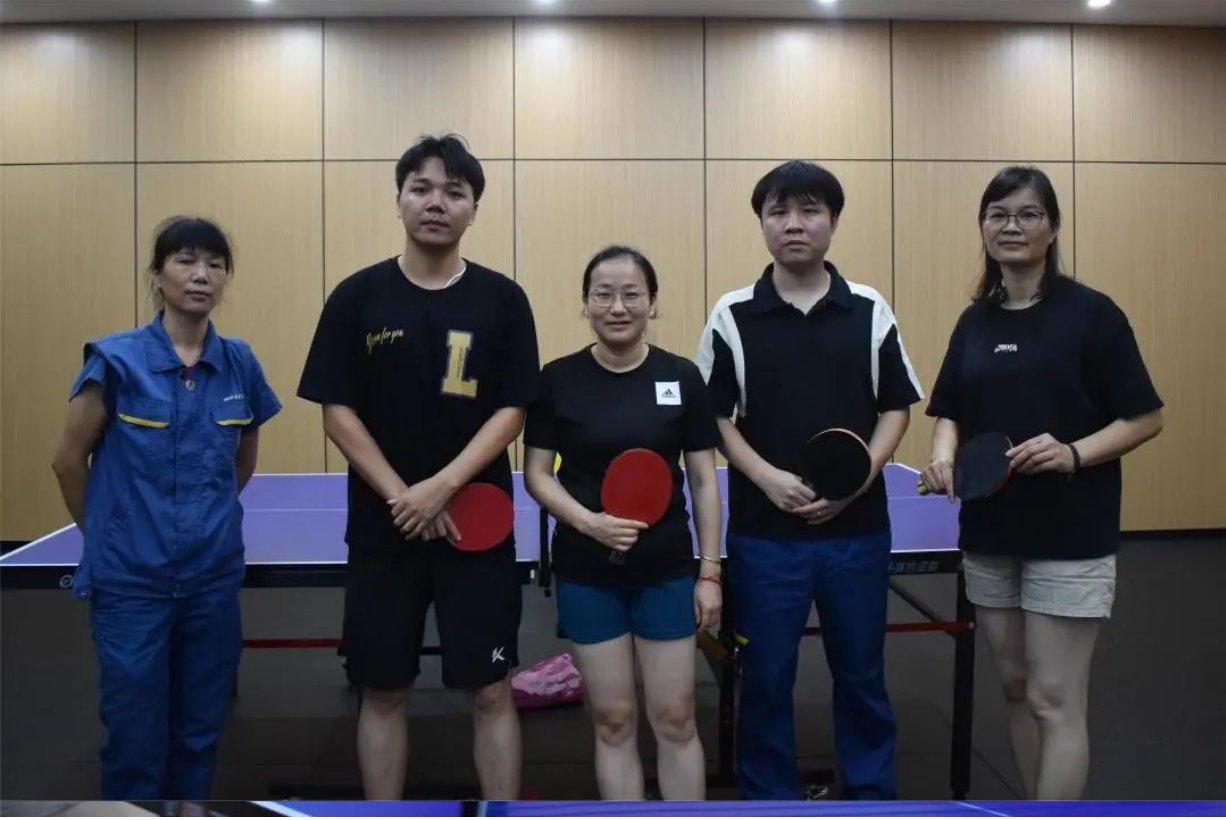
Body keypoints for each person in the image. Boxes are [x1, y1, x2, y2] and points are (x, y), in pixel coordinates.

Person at [297, 134, 540, 800]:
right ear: (399, 199)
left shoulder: (503, 299)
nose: (437, 202)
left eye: (454, 192)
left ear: (474, 209)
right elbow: (337, 412)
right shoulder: (356, 297)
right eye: (422, 188)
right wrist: (403, 496)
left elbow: (513, 411)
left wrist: (442, 487)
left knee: (491, 689)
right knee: (382, 689)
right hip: (385, 530)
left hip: (478, 531)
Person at [920, 166, 1163, 800]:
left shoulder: (1093, 315)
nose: (1012, 226)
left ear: (1053, 227)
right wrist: (942, 454)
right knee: (1017, 689)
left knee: (1055, 699)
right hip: (990, 533)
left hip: (1070, 535)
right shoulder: (975, 321)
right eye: (998, 214)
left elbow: (1145, 417)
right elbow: (949, 411)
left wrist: (1074, 453)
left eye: (1028, 214)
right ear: (983, 226)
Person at [696, 161, 923, 800]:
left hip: (858, 534)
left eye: (809, 210)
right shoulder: (732, 314)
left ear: (833, 221)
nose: (793, 224)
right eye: (778, 212)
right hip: (765, 538)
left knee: (862, 675)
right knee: (766, 679)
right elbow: (712, 416)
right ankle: (770, 801)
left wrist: (860, 478)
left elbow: (896, 407)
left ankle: (871, 799)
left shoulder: (870, 308)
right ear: (762, 223)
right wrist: (765, 477)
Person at [50, 217, 282, 800]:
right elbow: (68, 461)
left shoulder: (240, 363)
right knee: (134, 740)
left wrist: (206, 520)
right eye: (185, 260)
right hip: (132, 585)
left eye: (215, 264)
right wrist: (107, 537)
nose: (201, 275)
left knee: (200, 733)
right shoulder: (114, 361)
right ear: (157, 275)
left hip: (212, 580)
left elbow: (243, 457)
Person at [523, 246, 723, 800]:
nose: (618, 307)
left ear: (652, 303)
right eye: (603, 295)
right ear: (585, 304)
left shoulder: (682, 377)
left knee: (676, 716)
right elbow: (537, 474)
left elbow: (704, 481)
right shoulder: (557, 379)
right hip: (588, 571)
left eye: (632, 294)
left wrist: (710, 572)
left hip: (666, 570)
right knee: (612, 719)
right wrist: (590, 523)